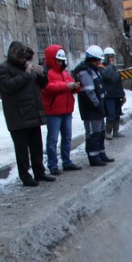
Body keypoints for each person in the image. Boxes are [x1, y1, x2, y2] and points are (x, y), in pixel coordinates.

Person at [0, 41, 55, 187]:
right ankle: (25, 176)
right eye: (22, 58)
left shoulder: (27, 67)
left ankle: (39, 172)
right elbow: (9, 86)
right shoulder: (3, 69)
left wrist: (42, 75)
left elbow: (41, 85)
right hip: (18, 117)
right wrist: (27, 74)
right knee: (22, 150)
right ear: (14, 57)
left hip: (33, 114)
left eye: (26, 58)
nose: (24, 61)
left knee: (37, 147)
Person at [41, 45, 82, 175]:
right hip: (53, 112)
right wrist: (66, 86)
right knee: (53, 140)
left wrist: (76, 86)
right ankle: (52, 165)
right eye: (58, 60)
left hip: (66, 111)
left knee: (67, 138)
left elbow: (69, 87)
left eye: (61, 60)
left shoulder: (65, 73)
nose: (60, 63)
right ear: (52, 59)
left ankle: (67, 162)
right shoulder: (46, 73)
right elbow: (47, 88)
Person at [73, 45, 114, 166]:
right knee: (93, 133)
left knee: (100, 131)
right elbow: (89, 92)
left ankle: (101, 153)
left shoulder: (93, 70)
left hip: (98, 108)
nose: (100, 62)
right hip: (91, 109)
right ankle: (93, 156)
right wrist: (97, 104)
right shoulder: (84, 72)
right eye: (98, 60)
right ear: (93, 59)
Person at [100, 47, 126, 140]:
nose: (113, 59)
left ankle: (116, 131)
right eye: (111, 57)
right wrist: (110, 66)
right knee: (111, 114)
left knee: (117, 113)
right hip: (109, 95)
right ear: (106, 57)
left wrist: (123, 94)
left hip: (117, 95)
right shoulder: (102, 68)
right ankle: (108, 132)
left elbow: (118, 82)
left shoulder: (114, 68)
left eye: (113, 56)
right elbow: (106, 76)